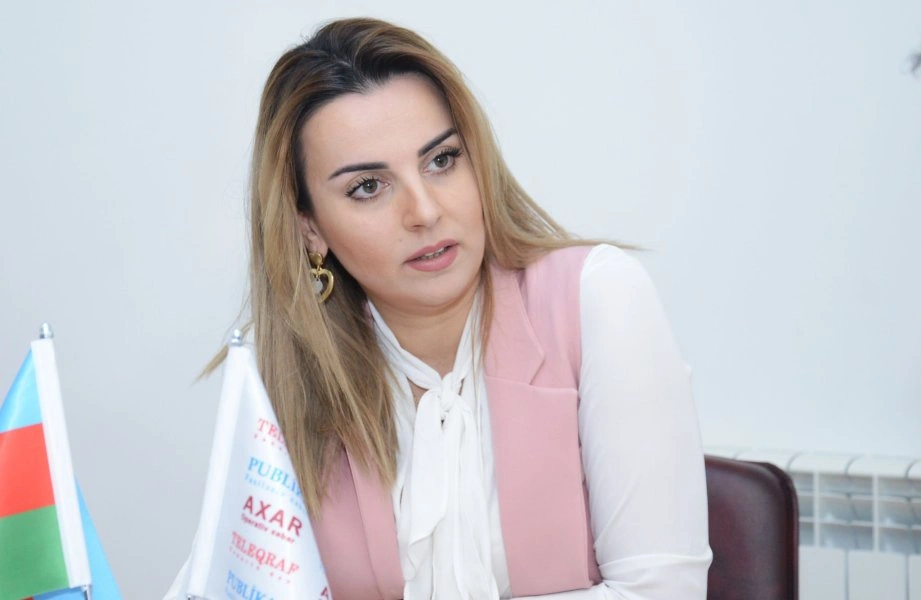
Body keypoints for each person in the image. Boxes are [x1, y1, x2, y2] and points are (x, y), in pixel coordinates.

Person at [185, 17, 711, 599]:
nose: (425, 211)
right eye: (368, 187)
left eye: (441, 160)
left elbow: (662, 591)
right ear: (310, 228)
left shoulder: (598, 299)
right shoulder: (281, 372)